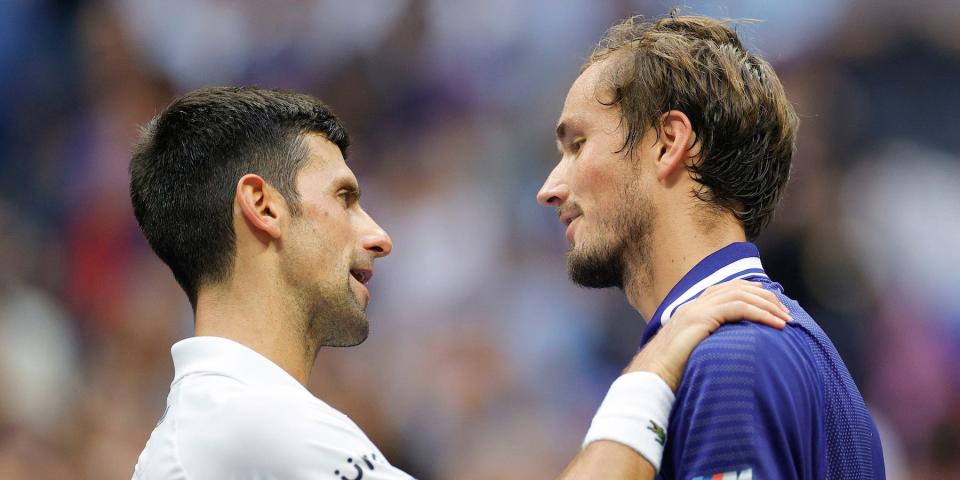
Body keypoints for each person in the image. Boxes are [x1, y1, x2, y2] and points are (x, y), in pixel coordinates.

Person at [128, 86, 790, 479]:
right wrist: (658, 361)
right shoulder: (246, 422)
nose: (377, 234)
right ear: (263, 206)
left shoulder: (227, 422)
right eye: (345, 196)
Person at [538, 12, 885, 480]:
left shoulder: (730, 362)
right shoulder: (749, 348)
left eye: (578, 144)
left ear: (668, 143)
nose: (550, 188)